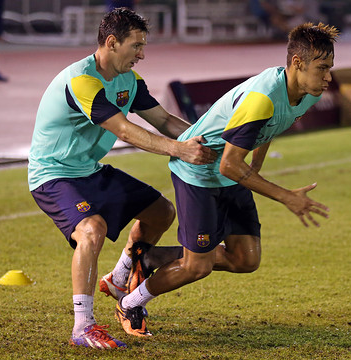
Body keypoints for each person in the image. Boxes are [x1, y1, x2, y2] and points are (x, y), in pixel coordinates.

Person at [111, 22, 338, 337]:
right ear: (298, 64)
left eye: (330, 68)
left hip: (229, 172)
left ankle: (149, 256)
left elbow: (267, 129)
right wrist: (287, 196)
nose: (328, 77)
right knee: (196, 267)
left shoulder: (306, 91)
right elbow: (231, 165)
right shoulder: (263, 98)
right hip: (198, 171)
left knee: (246, 259)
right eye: (322, 68)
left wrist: (255, 165)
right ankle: (130, 301)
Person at [27, 8, 216, 349]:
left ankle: (117, 279)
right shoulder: (82, 80)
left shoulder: (128, 80)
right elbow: (125, 130)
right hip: (53, 175)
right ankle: (82, 325)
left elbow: (164, 120)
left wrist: (210, 144)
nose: (142, 54)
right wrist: (179, 150)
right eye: (136, 46)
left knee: (161, 212)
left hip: (90, 170)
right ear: (112, 43)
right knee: (91, 228)